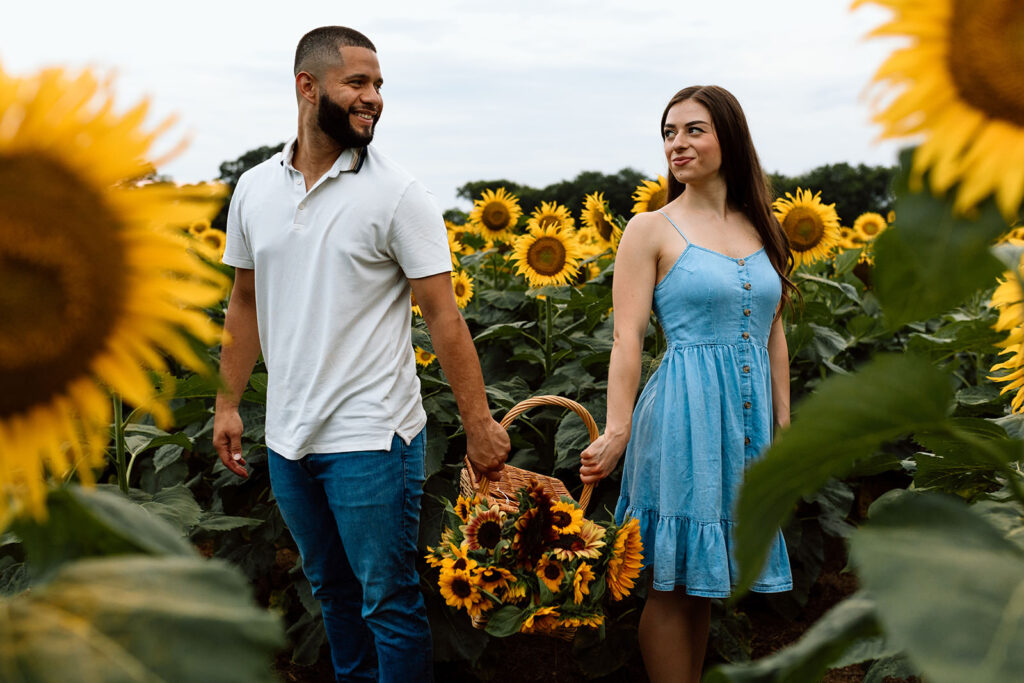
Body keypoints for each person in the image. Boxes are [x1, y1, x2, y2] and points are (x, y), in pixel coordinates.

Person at [212, 26, 510, 682]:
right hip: (290, 438)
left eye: (378, 86)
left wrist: (481, 423)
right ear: (307, 87)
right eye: (359, 83)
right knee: (332, 594)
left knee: (388, 601)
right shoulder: (256, 190)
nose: (373, 97)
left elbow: (445, 317)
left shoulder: (397, 194)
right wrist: (229, 402)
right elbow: (245, 302)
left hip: (373, 438)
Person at [579, 85, 794, 682]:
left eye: (694, 129)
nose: (678, 143)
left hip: (745, 422)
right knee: (672, 585)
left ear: (730, 137)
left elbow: (774, 333)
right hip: (684, 413)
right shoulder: (651, 228)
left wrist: (784, 424)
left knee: (704, 583)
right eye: (670, 132)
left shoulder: (764, 227)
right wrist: (617, 428)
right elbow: (628, 340)